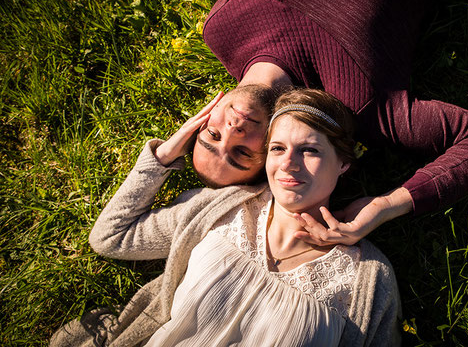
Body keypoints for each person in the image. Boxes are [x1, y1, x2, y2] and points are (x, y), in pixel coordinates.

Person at [181, 0, 468, 245]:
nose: (232, 131)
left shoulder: (222, 26)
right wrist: (384, 206)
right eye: (241, 153)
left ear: (203, 117)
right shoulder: (363, 106)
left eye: (212, 135)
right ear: (272, 151)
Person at [50, 89, 401, 346]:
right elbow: (110, 237)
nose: (289, 164)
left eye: (309, 150)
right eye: (277, 148)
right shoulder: (222, 210)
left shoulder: (367, 280)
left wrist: (386, 206)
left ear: (344, 164)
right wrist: (165, 153)